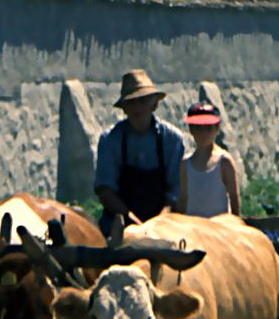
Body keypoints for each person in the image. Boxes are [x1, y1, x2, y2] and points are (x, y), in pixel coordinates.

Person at [94, 70, 185, 234]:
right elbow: (105, 190)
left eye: (143, 101)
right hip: (120, 222)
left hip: (163, 223)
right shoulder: (110, 139)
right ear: (124, 109)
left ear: (154, 104)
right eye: (131, 103)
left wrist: (157, 225)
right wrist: (130, 220)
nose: (138, 108)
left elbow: (176, 192)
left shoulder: (172, 139)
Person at [178, 97, 241, 217]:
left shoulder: (224, 161)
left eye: (208, 128)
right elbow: (183, 199)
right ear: (191, 130)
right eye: (198, 128)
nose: (203, 133)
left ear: (217, 129)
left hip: (217, 229)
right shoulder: (185, 164)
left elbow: (234, 197)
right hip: (193, 228)